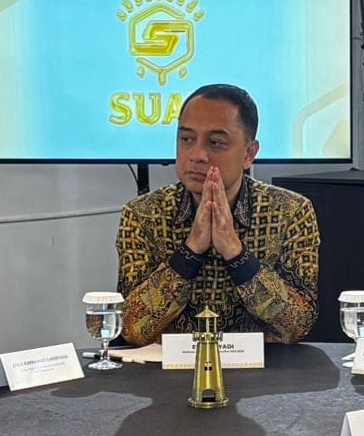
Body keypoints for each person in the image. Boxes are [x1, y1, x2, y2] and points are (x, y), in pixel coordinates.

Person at [116, 83, 319, 345]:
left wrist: (236, 253)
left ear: (249, 154)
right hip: (170, 368)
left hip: (263, 367)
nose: (197, 155)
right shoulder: (143, 214)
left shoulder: (291, 212)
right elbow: (131, 329)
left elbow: (299, 326)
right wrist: (190, 251)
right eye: (186, 139)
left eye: (216, 143)